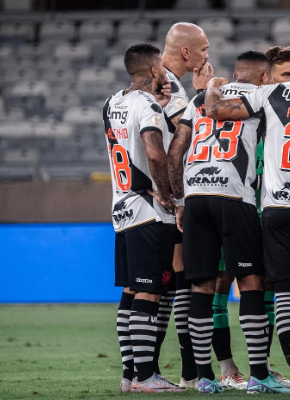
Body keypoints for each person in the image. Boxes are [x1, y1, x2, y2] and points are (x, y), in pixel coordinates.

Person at [204, 37, 290, 396]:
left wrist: (210, 87)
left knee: (285, 291)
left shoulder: (273, 93)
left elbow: (216, 111)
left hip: (278, 208)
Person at [168, 50, 290, 394]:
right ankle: (259, 376)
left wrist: (179, 200)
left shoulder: (195, 100)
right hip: (234, 198)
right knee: (251, 281)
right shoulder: (260, 95)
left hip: (195, 199)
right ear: (265, 77)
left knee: (200, 287)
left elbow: (176, 150)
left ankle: (205, 377)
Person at [105, 43, 185, 394]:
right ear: (154, 71)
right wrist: (168, 194)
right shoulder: (146, 104)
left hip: (121, 208)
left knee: (132, 289)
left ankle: (129, 375)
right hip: (149, 211)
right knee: (150, 293)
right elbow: (153, 152)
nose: (166, 74)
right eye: (162, 70)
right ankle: (146, 376)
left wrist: (162, 108)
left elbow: (130, 144)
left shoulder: (111, 103)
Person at [160, 22, 215, 390]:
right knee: (181, 282)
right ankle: (190, 369)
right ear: (186, 53)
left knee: (163, 287)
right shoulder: (172, 89)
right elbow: (175, 148)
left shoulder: (158, 82)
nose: (208, 55)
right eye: (204, 48)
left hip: (155, 198)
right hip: (167, 200)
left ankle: (148, 370)